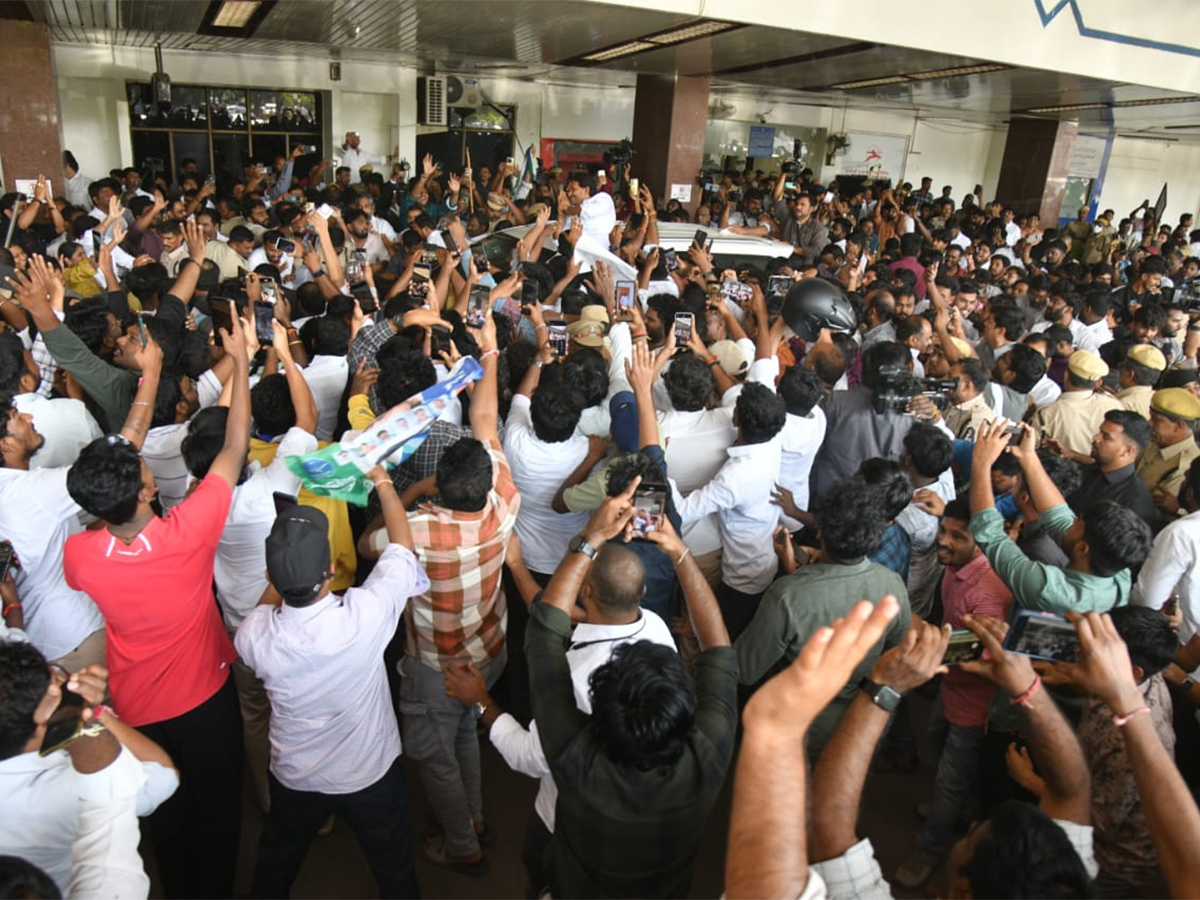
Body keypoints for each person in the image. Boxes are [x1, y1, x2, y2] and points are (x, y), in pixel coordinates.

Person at [61, 313, 251, 898]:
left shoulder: (81, 555)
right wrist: (242, 363)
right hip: (204, 700)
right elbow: (235, 444)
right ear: (145, 489)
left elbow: (114, 486)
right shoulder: (188, 533)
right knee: (220, 811)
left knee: (165, 815)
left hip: (139, 706)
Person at [525, 484, 737, 897]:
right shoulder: (706, 756)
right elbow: (718, 646)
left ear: (598, 715)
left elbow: (542, 627)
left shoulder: (577, 761)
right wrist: (680, 552)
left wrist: (590, 537)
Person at [362, 314, 517, 876]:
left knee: (434, 757)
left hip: (434, 664)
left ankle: (462, 845)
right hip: (488, 651)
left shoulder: (421, 531)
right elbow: (483, 419)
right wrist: (491, 353)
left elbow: (369, 543)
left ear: (442, 487)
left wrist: (397, 486)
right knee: (462, 734)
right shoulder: (504, 501)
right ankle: (473, 818)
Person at [236, 466, 425, 899]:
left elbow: (264, 610)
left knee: (276, 863)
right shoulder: (365, 614)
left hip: (296, 774)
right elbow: (402, 546)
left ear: (268, 578)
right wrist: (382, 482)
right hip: (370, 770)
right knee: (394, 867)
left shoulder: (254, 634)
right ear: (331, 568)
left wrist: (280, 581)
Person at [737, 476, 911, 756]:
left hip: (795, 728)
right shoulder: (891, 584)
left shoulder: (787, 596)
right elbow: (898, 654)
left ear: (820, 533)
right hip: (859, 724)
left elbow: (745, 669)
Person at [894, 497, 1013, 888]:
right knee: (937, 745)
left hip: (973, 702)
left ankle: (929, 849)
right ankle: (953, 809)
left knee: (950, 776)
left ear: (981, 542)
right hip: (950, 685)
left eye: (956, 536)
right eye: (943, 529)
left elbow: (979, 656)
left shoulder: (989, 594)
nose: (943, 541)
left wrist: (911, 626)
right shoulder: (955, 565)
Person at [0, 649, 179, 898]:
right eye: (54, 683)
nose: (61, 682)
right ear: (41, 725)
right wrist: (88, 712)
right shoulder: (60, 790)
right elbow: (162, 774)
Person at [969, 419, 1152, 615]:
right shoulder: (1117, 574)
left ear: (1082, 548)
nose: (1069, 522)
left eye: (1075, 524)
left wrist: (981, 464)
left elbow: (991, 535)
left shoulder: (1052, 592)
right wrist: (1028, 457)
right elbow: (1058, 515)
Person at [677, 381, 786, 638]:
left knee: (724, 633)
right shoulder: (772, 439)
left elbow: (682, 511)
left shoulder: (735, 477)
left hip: (742, 576)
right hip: (763, 553)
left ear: (736, 418)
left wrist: (663, 461)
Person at [1065, 409, 1157, 530]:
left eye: (1106, 437)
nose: (1096, 438)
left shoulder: (1134, 501)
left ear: (1128, 450)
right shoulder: (1086, 471)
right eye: (1099, 432)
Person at [1031, 350, 1124, 457]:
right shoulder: (1114, 404)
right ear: (1098, 383)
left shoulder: (1047, 413)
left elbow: (1031, 449)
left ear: (1066, 375)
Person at [1137, 387, 1200, 524]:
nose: (1149, 423)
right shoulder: (1156, 442)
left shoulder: (1185, 465)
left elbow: (1152, 511)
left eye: (1156, 420)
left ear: (1178, 426)